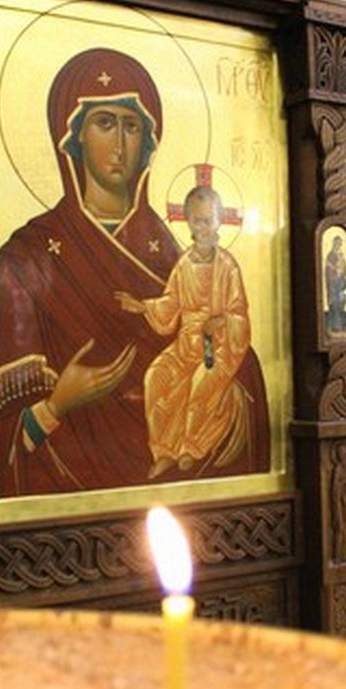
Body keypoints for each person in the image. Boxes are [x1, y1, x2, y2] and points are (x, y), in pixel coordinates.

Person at [0, 48, 269, 499]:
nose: (120, 145)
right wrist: (57, 405)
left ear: (148, 141)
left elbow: (234, 353)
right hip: (67, 509)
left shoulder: (177, 253)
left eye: (132, 127)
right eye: (104, 123)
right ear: (72, 136)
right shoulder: (27, 258)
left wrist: (226, 386)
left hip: (185, 496)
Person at [116, 186, 256, 479]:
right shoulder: (183, 265)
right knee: (155, 376)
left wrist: (221, 322)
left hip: (219, 347)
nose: (201, 227)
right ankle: (164, 451)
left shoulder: (227, 266)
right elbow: (171, 303)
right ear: (188, 222)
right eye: (196, 220)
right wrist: (142, 307)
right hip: (186, 344)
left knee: (200, 383)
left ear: (218, 221)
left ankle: (192, 448)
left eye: (207, 220)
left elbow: (239, 315)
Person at [325, 234, 346, 337]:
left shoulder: (341, 256)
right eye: (337, 243)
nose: (338, 245)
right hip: (334, 285)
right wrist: (335, 271)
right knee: (334, 304)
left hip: (341, 284)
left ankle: (341, 327)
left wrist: (345, 279)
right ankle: (334, 327)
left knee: (341, 304)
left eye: (340, 244)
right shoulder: (330, 256)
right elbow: (328, 270)